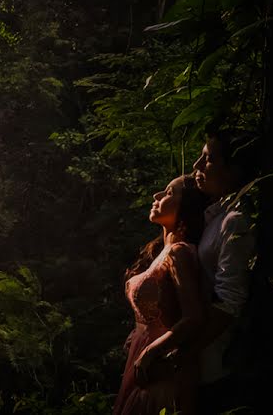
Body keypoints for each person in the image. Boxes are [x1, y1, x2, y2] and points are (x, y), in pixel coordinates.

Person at [114, 174, 211, 415]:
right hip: (144, 355)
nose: (156, 196)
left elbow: (194, 317)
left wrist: (151, 350)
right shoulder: (162, 250)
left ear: (185, 206)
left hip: (163, 365)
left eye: (168, 193)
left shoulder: (179, 253)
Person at [190, 127, 259, 413]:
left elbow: (230, 300)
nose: (197, 165)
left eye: (208, 159)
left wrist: (182, 352)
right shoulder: (217, 215)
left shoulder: (237, 221)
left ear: (233, 169)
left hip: (217, 366)